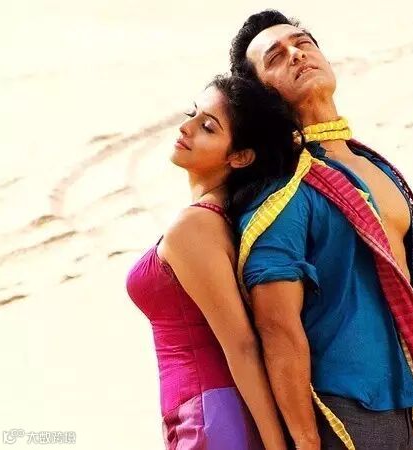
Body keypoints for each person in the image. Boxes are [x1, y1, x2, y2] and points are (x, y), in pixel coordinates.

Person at [229, 10, 413, 450]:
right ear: (261, 94)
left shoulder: (373, 165)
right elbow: (277, 327)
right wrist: (306, 440)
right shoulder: (282, 191)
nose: (296, 54)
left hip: (412, 396)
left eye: (303, 43)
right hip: (344, 408)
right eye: (276, 57)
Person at [125, 74, 303, 450]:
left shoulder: (195, 227)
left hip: (208, 416)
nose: (186, 128)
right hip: (204, 412)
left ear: (240, 156)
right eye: (192, 114)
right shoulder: (216, 221)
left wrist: (276, 445)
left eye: (208, 126)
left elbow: (242, 346)